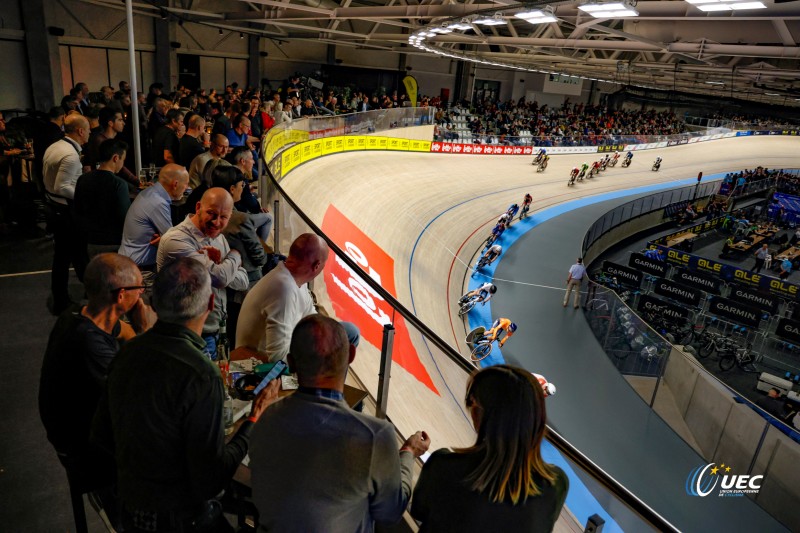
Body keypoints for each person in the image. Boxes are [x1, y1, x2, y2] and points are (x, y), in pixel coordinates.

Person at [92, 257, 280, 533]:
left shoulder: (127, 353)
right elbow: (211, 480)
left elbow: (101, 435)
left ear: (153, 303)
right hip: (178, 518)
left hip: (131, 509)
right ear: (211, 305)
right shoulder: (201, 375)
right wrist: (255, 418)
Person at [250, 315, 430, 532]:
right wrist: (408, 452)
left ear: (291, 363)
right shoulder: (375, 436)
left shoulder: (264, 419)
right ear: (351, 355)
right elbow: (391, 512)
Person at [39, 254, 152, 496]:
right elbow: (141, 388)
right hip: (86, 454)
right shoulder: (89, 344)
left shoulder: (79, 313)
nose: (142, 292)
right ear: (121, 295)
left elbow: (123, 331)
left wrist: (135, 332)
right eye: (140, 287)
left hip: (76, 433)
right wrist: (145, 330)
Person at [410, 365, 568, 533]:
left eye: (472, 402)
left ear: (479, 415)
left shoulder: (443, 464)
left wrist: (408, 453)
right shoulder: (556, 484)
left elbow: (418, 510)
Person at [235, 233, 359, 362]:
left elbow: (311, 315)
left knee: (349, 332)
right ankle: (329, 380)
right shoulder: (283, 290)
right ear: (316, 266)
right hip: (259, 363)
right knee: (344, 340)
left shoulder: (295, 278)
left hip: (294, 339)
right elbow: (277, 357)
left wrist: (325, 335)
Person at [157, 188, 250, 360]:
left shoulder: (218, 237)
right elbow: (221, 278)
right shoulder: (176, 240)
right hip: (186, 335)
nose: (216, 222)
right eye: (211, 214)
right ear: (198, 206)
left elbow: (243, 281)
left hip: (217, 329)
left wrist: (221, 265)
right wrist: (235, 256)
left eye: (224, 217)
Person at [42, 113, 92, 314]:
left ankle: (86, 291)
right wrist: (85, 195)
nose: (89, 132)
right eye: (88, 129)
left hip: (54, 206)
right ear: (80, 131)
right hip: (65, 210)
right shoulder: (70, 155)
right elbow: (62, 187)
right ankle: (63, 300)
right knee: (69, 256)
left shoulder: (55, 146)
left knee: (72, 255)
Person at [119, 164, 190, 284]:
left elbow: (166, 238)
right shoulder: (158, 202)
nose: (187, 188)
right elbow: (173, 241)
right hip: (141, 271)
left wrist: (163, 240)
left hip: (132, 263)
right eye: (186, 184)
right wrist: (165, 240)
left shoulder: (151, 193)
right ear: (175, 184)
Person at [74, 139, 132, 258]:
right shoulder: (118, 184)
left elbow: (77, 210)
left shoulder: (83, 179)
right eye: (123, 160)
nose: (122, 164)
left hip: (91, 241)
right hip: (114, 242)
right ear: (116, 158)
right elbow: (124, 217)